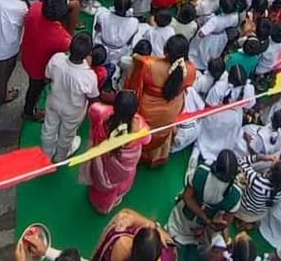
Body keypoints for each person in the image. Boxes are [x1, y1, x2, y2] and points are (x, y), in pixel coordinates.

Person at [126, 35, 196, 166]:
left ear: (165, 51)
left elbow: (135, 73)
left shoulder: (150, 65)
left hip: (148, 110)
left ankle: (137, 153)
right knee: (162, 130)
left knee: (141, 129)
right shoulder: (191, 70)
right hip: (172, 109)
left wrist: (136, 56)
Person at [79, 91, 150, 214]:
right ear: (134, 110)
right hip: (121, 170)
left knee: (99, 180)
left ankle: (97, 201)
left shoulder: (103, 115)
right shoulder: (140, 127)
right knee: (115, 185)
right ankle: (106, 205)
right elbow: (147, 140)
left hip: (101, 161)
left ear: (115, 105)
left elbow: (92, 110)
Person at [41, 31, 99, 161]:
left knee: (49, 128)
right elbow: (93, 98)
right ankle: (60, 157)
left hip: (54, 101)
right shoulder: (88, 76)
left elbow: (47, 76)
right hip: (73, 110)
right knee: (67, 134)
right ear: (88, 54)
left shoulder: (56, 59)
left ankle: (46, 154)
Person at [20, 0, 73, 120]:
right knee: (34, 90)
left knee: (33, 87)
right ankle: (29, 112)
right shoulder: (63, 39)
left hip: (27, 55)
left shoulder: (34, 8)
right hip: (40, 69)